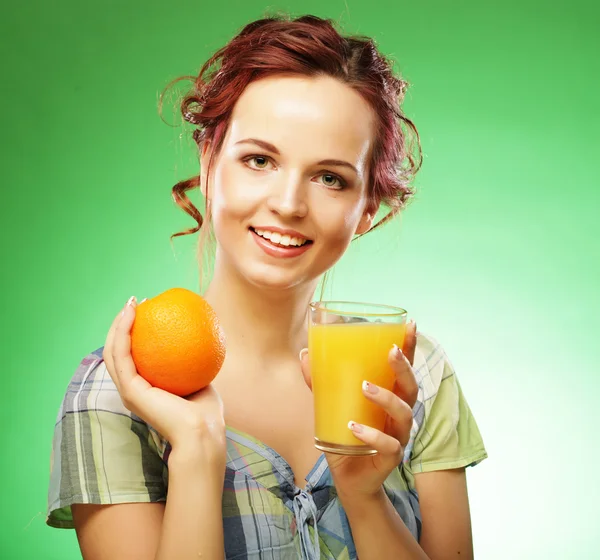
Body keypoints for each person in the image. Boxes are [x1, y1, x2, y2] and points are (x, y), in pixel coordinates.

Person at [46, 14, 487, 560]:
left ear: (367, 207)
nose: (287, 204)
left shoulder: (411, 376)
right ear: (209, 164)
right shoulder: (120, 392)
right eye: (259, 159)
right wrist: (197, 453)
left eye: (330, 177)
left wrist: (364, 497)